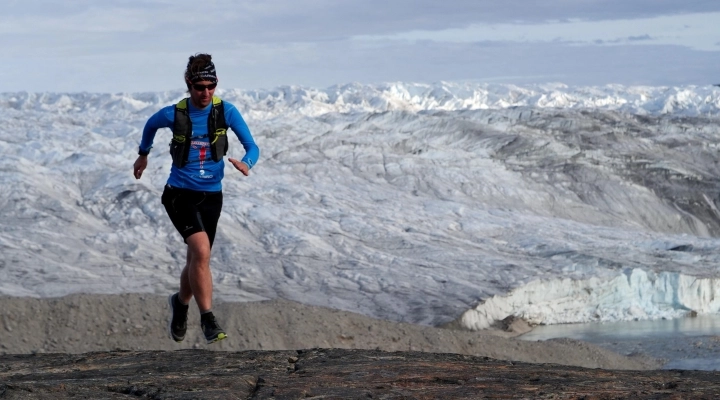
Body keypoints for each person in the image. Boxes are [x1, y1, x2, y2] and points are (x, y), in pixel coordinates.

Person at [132, 53, 259, 344]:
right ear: (189, 85)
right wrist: (143, 153)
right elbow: (150, 124)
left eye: (210, 87)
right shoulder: (174, 114)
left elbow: (252, 146)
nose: (205, 93)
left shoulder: (226, 112)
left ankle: (180, 302)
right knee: (201, 252)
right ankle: (208, 320)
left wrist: (247, 163)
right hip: (178, 194)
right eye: (199, 87)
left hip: (211, 197)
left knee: (196, 260)